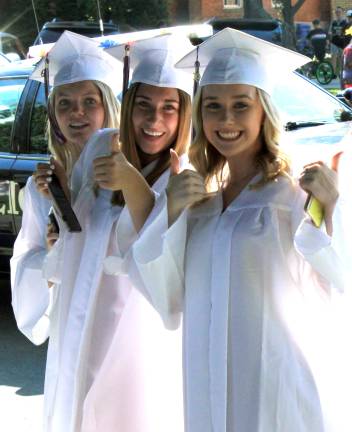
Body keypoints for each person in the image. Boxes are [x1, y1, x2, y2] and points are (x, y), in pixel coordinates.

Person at [107, 28, 351, 431]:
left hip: (274, 391)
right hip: (204, 385)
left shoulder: (292, 197)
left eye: (241, 105)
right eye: (214, 107)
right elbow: (166, 297)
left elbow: (341, 279)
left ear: (263, 113)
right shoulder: (197, 200)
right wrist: (169, 215)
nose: (227, 120)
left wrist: (333, 207)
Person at [41, 33, 193, 432]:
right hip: (79, 319)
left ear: (185, 114)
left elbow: (168, 268)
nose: (154, 121)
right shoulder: (101, 146)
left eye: (169, 108)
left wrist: (131, 183)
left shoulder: (184, 176)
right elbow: (78, 231)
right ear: (127, 106)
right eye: (143, 105)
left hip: (135, 339)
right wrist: (58, 214)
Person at [10, 30, 122, 431]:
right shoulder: (41, 190)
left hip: (121, 330)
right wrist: (51, 252)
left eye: (90, 101)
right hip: (70, 333)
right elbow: (26, 264)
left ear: (108, 107)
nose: (78, 113)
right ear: (53, 114)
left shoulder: (132, 176)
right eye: (65, 104)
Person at [329, 6, 347, 76]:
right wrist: (331, 34)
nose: (337, 13)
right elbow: (330, 31)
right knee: (333, 57)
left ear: (342, 13)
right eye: (336, 12)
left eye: (339, 12)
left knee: (341, 58)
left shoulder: (345, 22)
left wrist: (342, 34)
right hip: (334, 41)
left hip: (342, 42)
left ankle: (341, 73)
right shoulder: (333, 22)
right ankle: (332, 74)